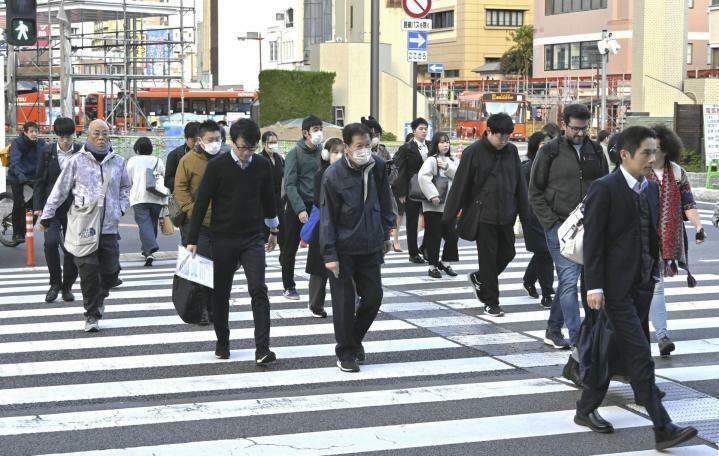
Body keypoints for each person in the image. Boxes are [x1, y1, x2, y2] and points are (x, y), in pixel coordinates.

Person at [576, 126, 698, 450]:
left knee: (613, 350)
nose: (652, 158)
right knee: (640, 353)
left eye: (655, 151)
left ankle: (585, 408)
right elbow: (594, 243)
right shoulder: (605, 188)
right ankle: (663, 426)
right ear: (625, 155)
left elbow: (649, 233)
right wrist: (595, 286)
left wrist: (658, 266)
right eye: (646, 152)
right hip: (614, 288)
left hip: (642, 283)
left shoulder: (649, 187)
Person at [187, 118, 279, 363]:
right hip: (223, 237)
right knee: (221, 292)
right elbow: (202, 203)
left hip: (252, 237)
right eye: (241, 147)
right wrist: (192, 238)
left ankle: (262, 348)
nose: (246, 153)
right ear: (232, 143)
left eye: (251, 148)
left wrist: (273, 230)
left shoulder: (261, 165)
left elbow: (269, 199)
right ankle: (223, 341)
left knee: (258, 288)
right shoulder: (217, 166)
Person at [529, 103, 608, 354]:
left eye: (584, 129)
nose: (580, 133)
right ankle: (577, 338)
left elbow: (605, 185)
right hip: (559, 225)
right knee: (569, 279)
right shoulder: (549, 151)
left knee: (575, 280)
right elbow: (534, 191)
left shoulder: (595, 149)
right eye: (575, 128)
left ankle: (553, 329)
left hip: (589, 225)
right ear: (564, 125)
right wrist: (551, 222)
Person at [38, 119, 130, 333]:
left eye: (105, 133)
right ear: (87, 135)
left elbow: (126, 187)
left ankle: (100, 297)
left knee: (110, 272)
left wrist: (120, 209)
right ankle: (91, 314)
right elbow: (60, 190)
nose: (101, 138)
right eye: (96, 133)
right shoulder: (77, 161)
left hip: (108, 227)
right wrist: (46, 216)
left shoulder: (118, 161)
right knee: (88, 273)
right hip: (84, 227)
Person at [321, 123, 395, 372]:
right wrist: (329, 254)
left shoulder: (378, 166)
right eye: (359, 146)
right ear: (346, 147)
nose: (365, 150)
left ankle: (353, 340)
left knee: (374, 297)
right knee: (343, 301)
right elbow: (327, 217)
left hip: (371, 244)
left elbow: (386, 201)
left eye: (367, 144)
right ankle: (345, 352)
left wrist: (386, 232)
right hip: (342, 248)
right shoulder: (332, 175)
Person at [444, 113, 529, 317]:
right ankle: (492, 302)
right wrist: (448, 217)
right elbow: (460, 185)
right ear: (489, 131)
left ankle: (480, 279)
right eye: (500, 136)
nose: (504, 140)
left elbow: (519, 184)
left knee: (509, 253)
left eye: (508, 136)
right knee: (488, 259)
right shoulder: (473, 152)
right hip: (484, 215)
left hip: (506, 213)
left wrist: (526, 214)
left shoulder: (512, 151)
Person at [645, 124, 706, 356]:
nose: (652, 153)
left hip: (667, 241)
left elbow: (688, 203)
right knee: (641, 289)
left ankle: (662, 336)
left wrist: (699, 226)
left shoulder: (678, 173)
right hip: (639, 238)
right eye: (649, 148)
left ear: (667, 150)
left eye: (657, 149)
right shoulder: (639, 170)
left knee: (658, 288)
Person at [174, 120, 222, 325]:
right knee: (201, 267)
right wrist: (194, 210)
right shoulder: (187, 161)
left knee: (218, 268)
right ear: (200, 140)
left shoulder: (225, 159)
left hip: (221, 224)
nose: (216, 143)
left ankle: (214, 306)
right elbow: (180, 190)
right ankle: (201, 308)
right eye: (211, 140)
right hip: (196, 224)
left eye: (218, 139)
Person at [33, 117, 81, 303]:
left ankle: (67, 286)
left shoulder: (81, 151)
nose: (65, 140)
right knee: (50, 243)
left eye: (68, 136)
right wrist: (38, 207)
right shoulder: (46, 152)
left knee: (72, 248)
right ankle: (54, 283)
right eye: (61, 136)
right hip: (51, 207)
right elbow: (39, 181)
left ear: (73, 135)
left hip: (74, 207)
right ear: (56, 135)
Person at [280, 115, 323, 300]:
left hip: (317, 205)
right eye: (315, 129)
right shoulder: (294, 153)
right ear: (305, 133)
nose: (319, 133)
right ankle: (289, 286)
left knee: (319, 247)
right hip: (297, 206)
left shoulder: (322, 152)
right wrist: (299, 209)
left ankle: (316, 289)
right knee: (290, 248)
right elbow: (290, 184)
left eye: (320, 128)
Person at [306, 138, 344, 318]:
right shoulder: (321, 175)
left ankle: (351, 302)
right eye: (335, 152)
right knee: (318, 270)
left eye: (342, 152)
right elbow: (319, 201)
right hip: (324, 225)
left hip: (345, 226)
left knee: (346, 267)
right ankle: (315, 304)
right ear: (326, 154)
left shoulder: (350, 173)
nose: (339, 156)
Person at [418, 132, 459, 278]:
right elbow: (423, 177)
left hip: (449, 206)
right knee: (434, 236)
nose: (445, 144)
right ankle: (432, 266)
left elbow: (460, 176)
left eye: (447, 142)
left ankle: (445, 262)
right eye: (441, 142)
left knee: (453, 235)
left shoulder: (452, 160)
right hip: (433, 206)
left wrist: (447, 167)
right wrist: (433, 194)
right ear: (436, 144)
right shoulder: (431, 160)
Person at [521, 131, 554, 309]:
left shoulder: (554, 165)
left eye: (548, 142)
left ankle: (528, 279)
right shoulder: (527, 167)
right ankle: (548, 293)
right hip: (533, 217)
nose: (545, 146)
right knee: (545, 253)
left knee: (543, 252)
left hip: (552, 216)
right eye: (541, 143)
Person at [362, 115, 402, 252]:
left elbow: (394, 176)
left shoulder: (383, 151)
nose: (375, 137)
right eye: (372, 134)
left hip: (382, 195)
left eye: (377, 134)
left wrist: (389, 171)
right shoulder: (358, 152)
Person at [126, 137, 167, 266]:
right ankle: (147, 252)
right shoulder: (158, 160)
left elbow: (127, 179)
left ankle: (151, 246)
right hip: (156, 197)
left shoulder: (132, 161)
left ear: (137, 149)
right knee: (152, 224)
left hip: (139, 197)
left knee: (144, 224)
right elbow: (163, 177)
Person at [394, 117, 430, 263]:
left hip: (429, 188)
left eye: (426, 129)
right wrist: (401, 192)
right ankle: (413, 253)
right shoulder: (406, 148)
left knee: (432, 220)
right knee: (412, 221)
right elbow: (401, 171)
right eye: (421, 129)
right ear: (414, 130)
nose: (424, 131)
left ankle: (425, 247)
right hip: (412, 189)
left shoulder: (431, 145)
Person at [9, 121, 47, 243]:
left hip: (33, 176)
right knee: (18, 202)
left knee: (39, 199)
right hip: (17, 175)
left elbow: (47, 159)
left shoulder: (41, 143)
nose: (34, 134)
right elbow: (15, 161)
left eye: (36, 131)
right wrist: (20, 175)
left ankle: (27, 219)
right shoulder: (18, 143)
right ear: (25, 132)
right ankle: (16, 233)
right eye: (31, 131)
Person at [260, 131, 285, 244]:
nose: (273, 144)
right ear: (264, 144)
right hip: (265, 198)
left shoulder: (279, 158)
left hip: (279, 198)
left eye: (275, 142)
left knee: (281, 229)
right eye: (270, 142)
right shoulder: (259, 159)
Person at [165, 121, 200, 193]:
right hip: (182, 196)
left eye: (199, 140)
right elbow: (167, 181)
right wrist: (186, 182)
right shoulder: (174, 155)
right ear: (186, 138)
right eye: (193, 140)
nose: (197, 144)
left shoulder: (208, 154)